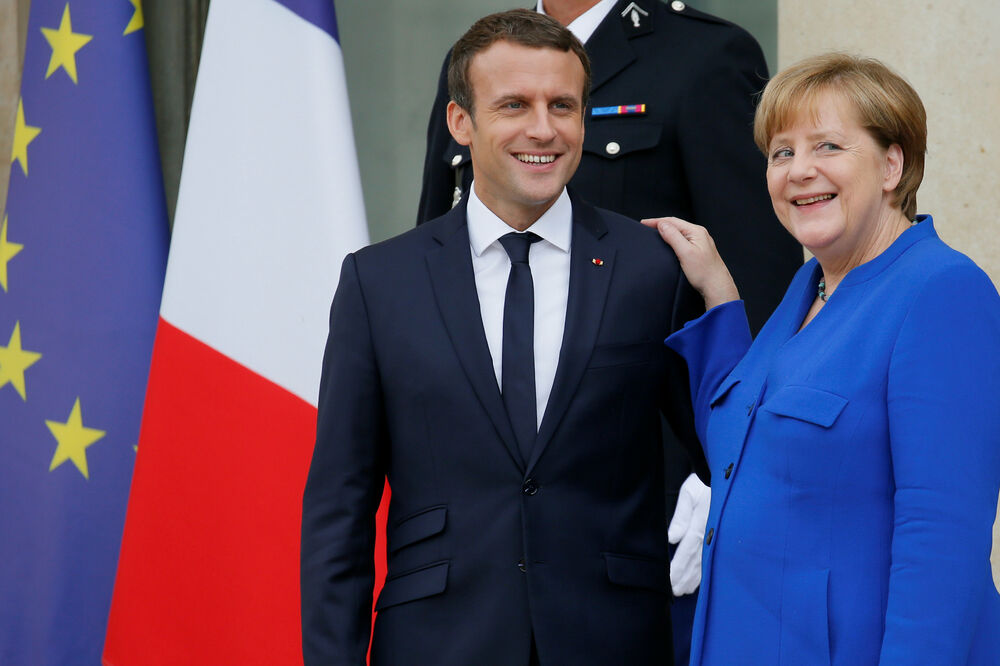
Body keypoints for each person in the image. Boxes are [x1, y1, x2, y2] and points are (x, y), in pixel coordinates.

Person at [301, 10, 706, 665]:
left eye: (563, 105)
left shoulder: (652, 267)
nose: (542, 129)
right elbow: (339, 509)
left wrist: (725, 306)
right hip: (436, 643)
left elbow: (733, 448)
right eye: (514, 104)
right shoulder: (380, 282)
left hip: (613, 641)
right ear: (462, 122)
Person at [418, 6, 803, 657]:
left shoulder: (704, 56)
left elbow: (753, 283)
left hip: (641, 505)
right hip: (482, 535)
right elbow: (437, 269)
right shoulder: (477, 59)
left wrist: (724, 473)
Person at [645, 53, 1000, 664]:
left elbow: (942, 543)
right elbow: (741, 452)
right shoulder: (810, 286)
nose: (799, 171)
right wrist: (720, 297)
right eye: (782, 153)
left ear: (893, 165)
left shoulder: (941, 290)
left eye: (828, 146)